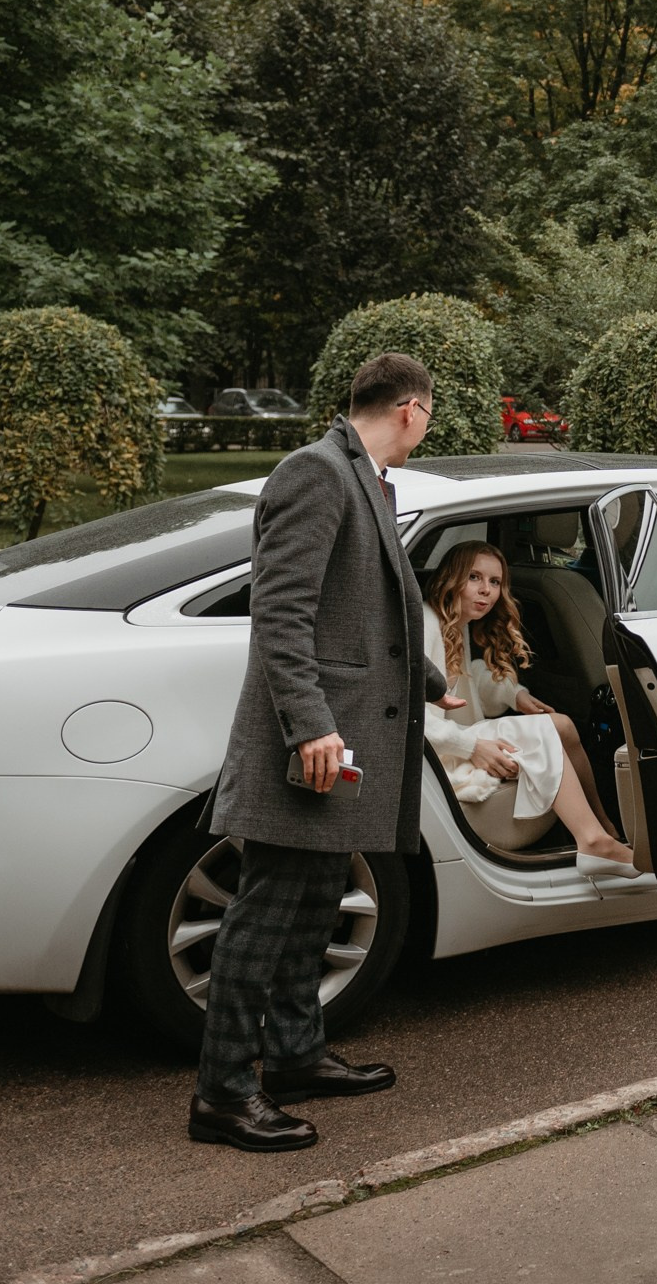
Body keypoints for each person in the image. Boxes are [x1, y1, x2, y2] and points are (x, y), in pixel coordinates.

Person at [191, 353, 464, 1153]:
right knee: (264, 917)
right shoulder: (315, 473)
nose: (427, 429)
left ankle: (297, 1055)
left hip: (348, 740)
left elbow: (364, 613)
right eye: (430, 416)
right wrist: (310, 724)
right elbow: (280, 612)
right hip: (313, 743)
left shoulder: (364, 475)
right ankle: (223, 1095)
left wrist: (425, 678)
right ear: (411, 409)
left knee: (314, 905)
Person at [421, 541, 636, 878]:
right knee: (544, 729)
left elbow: (463, 682)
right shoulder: (425, 622)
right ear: (451, 577)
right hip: (435, 753)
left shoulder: (453, 622)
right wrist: (472, 747)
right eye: (474, 577)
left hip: (449, 738)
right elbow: (410, 715)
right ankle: (592, 840)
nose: (486, 591)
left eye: (494, 582)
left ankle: (605, 828)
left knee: (561, 723)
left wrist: (515, 696)